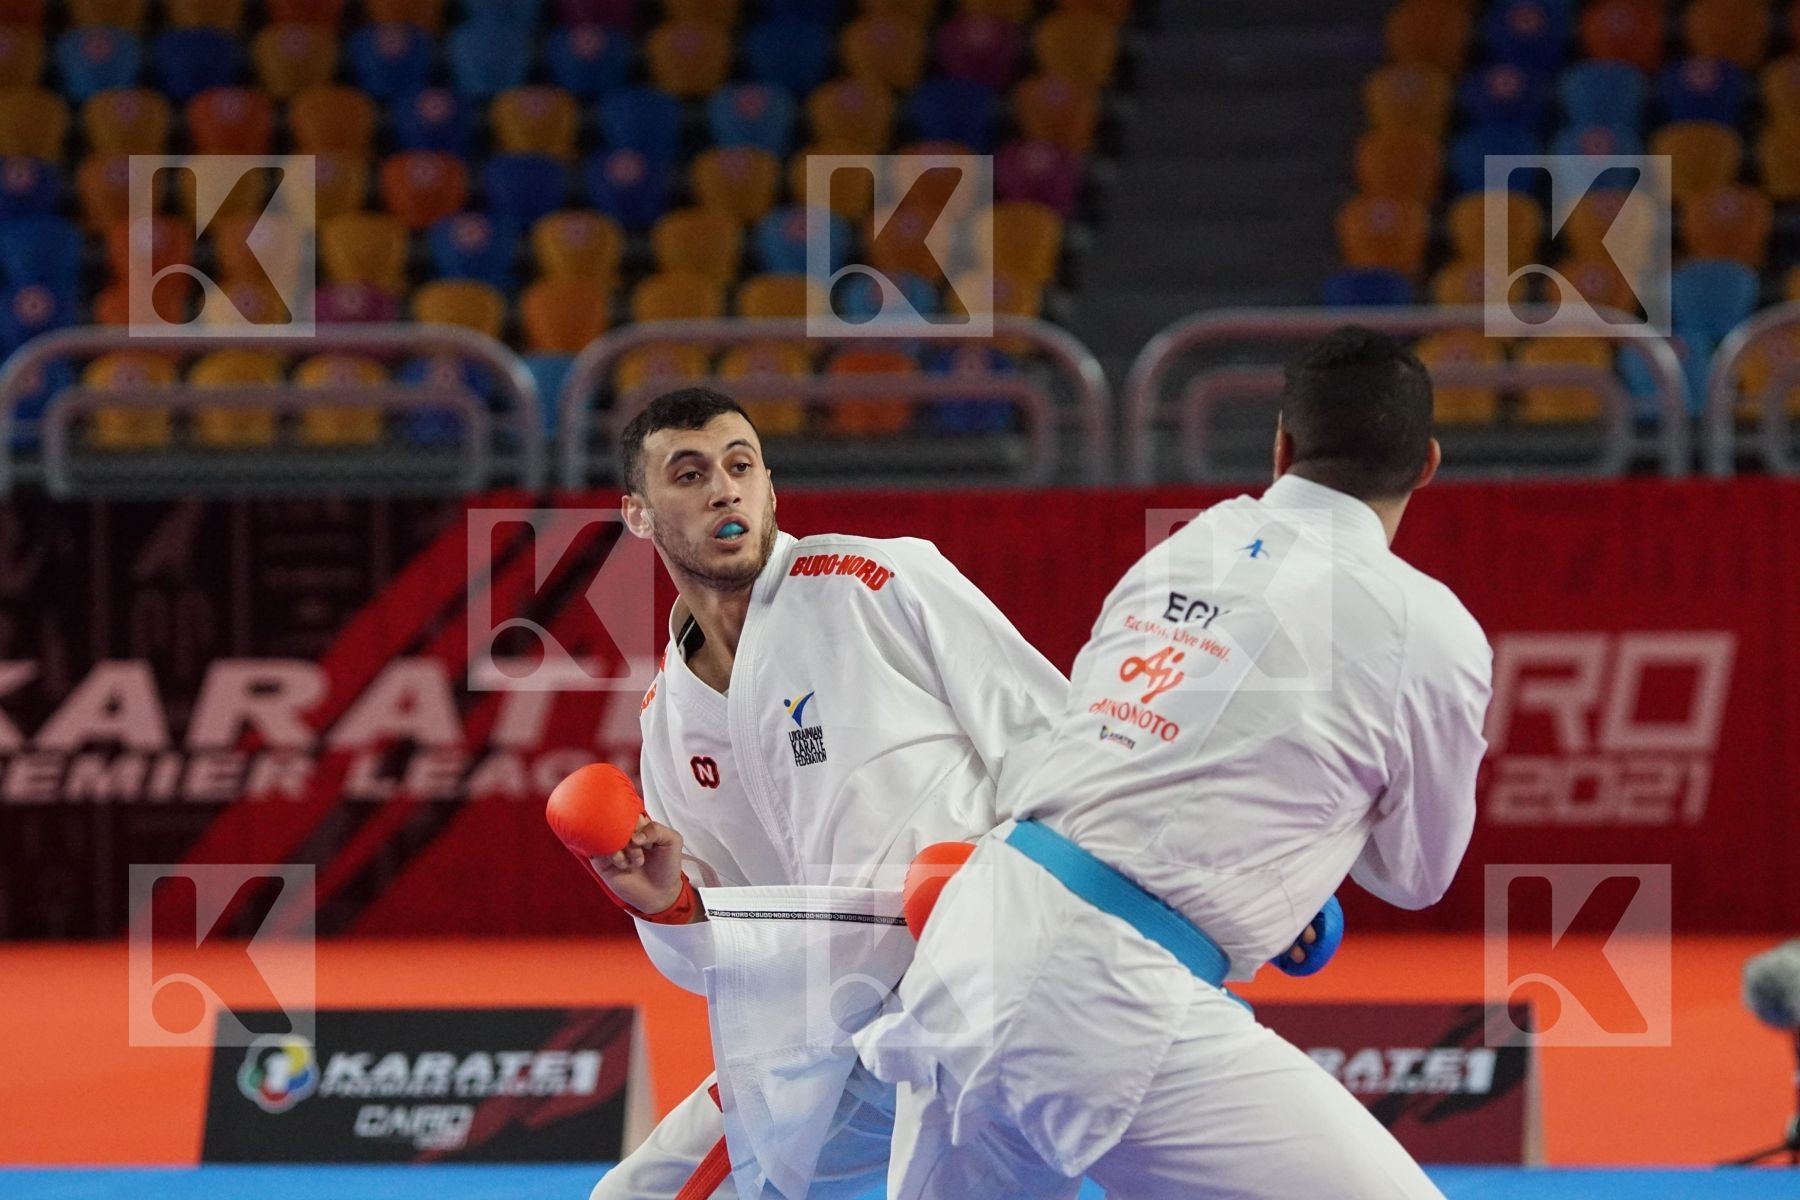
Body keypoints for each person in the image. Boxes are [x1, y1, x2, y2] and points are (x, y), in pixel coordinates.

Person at [856, 326, 1495, 1199]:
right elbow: (1416, 872)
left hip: (977, 939)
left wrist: (1271, 862)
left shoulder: (1187, 545)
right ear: (1427, 464)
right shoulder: (1433, 628)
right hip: (1109, 996)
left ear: (1282, 444)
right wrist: (1296, 860)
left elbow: (1129, 749)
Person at [576, 386, 1076, 1200]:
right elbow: (713, 956)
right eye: (690, 473)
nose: (724, 489)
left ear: (771, 486)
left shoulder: (877, 581)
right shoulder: (670, 721)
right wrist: (665, 903)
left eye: (741, 466)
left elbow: (1050, 744)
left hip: (977, 1002)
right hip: (825, 1038)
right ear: (638, 513)